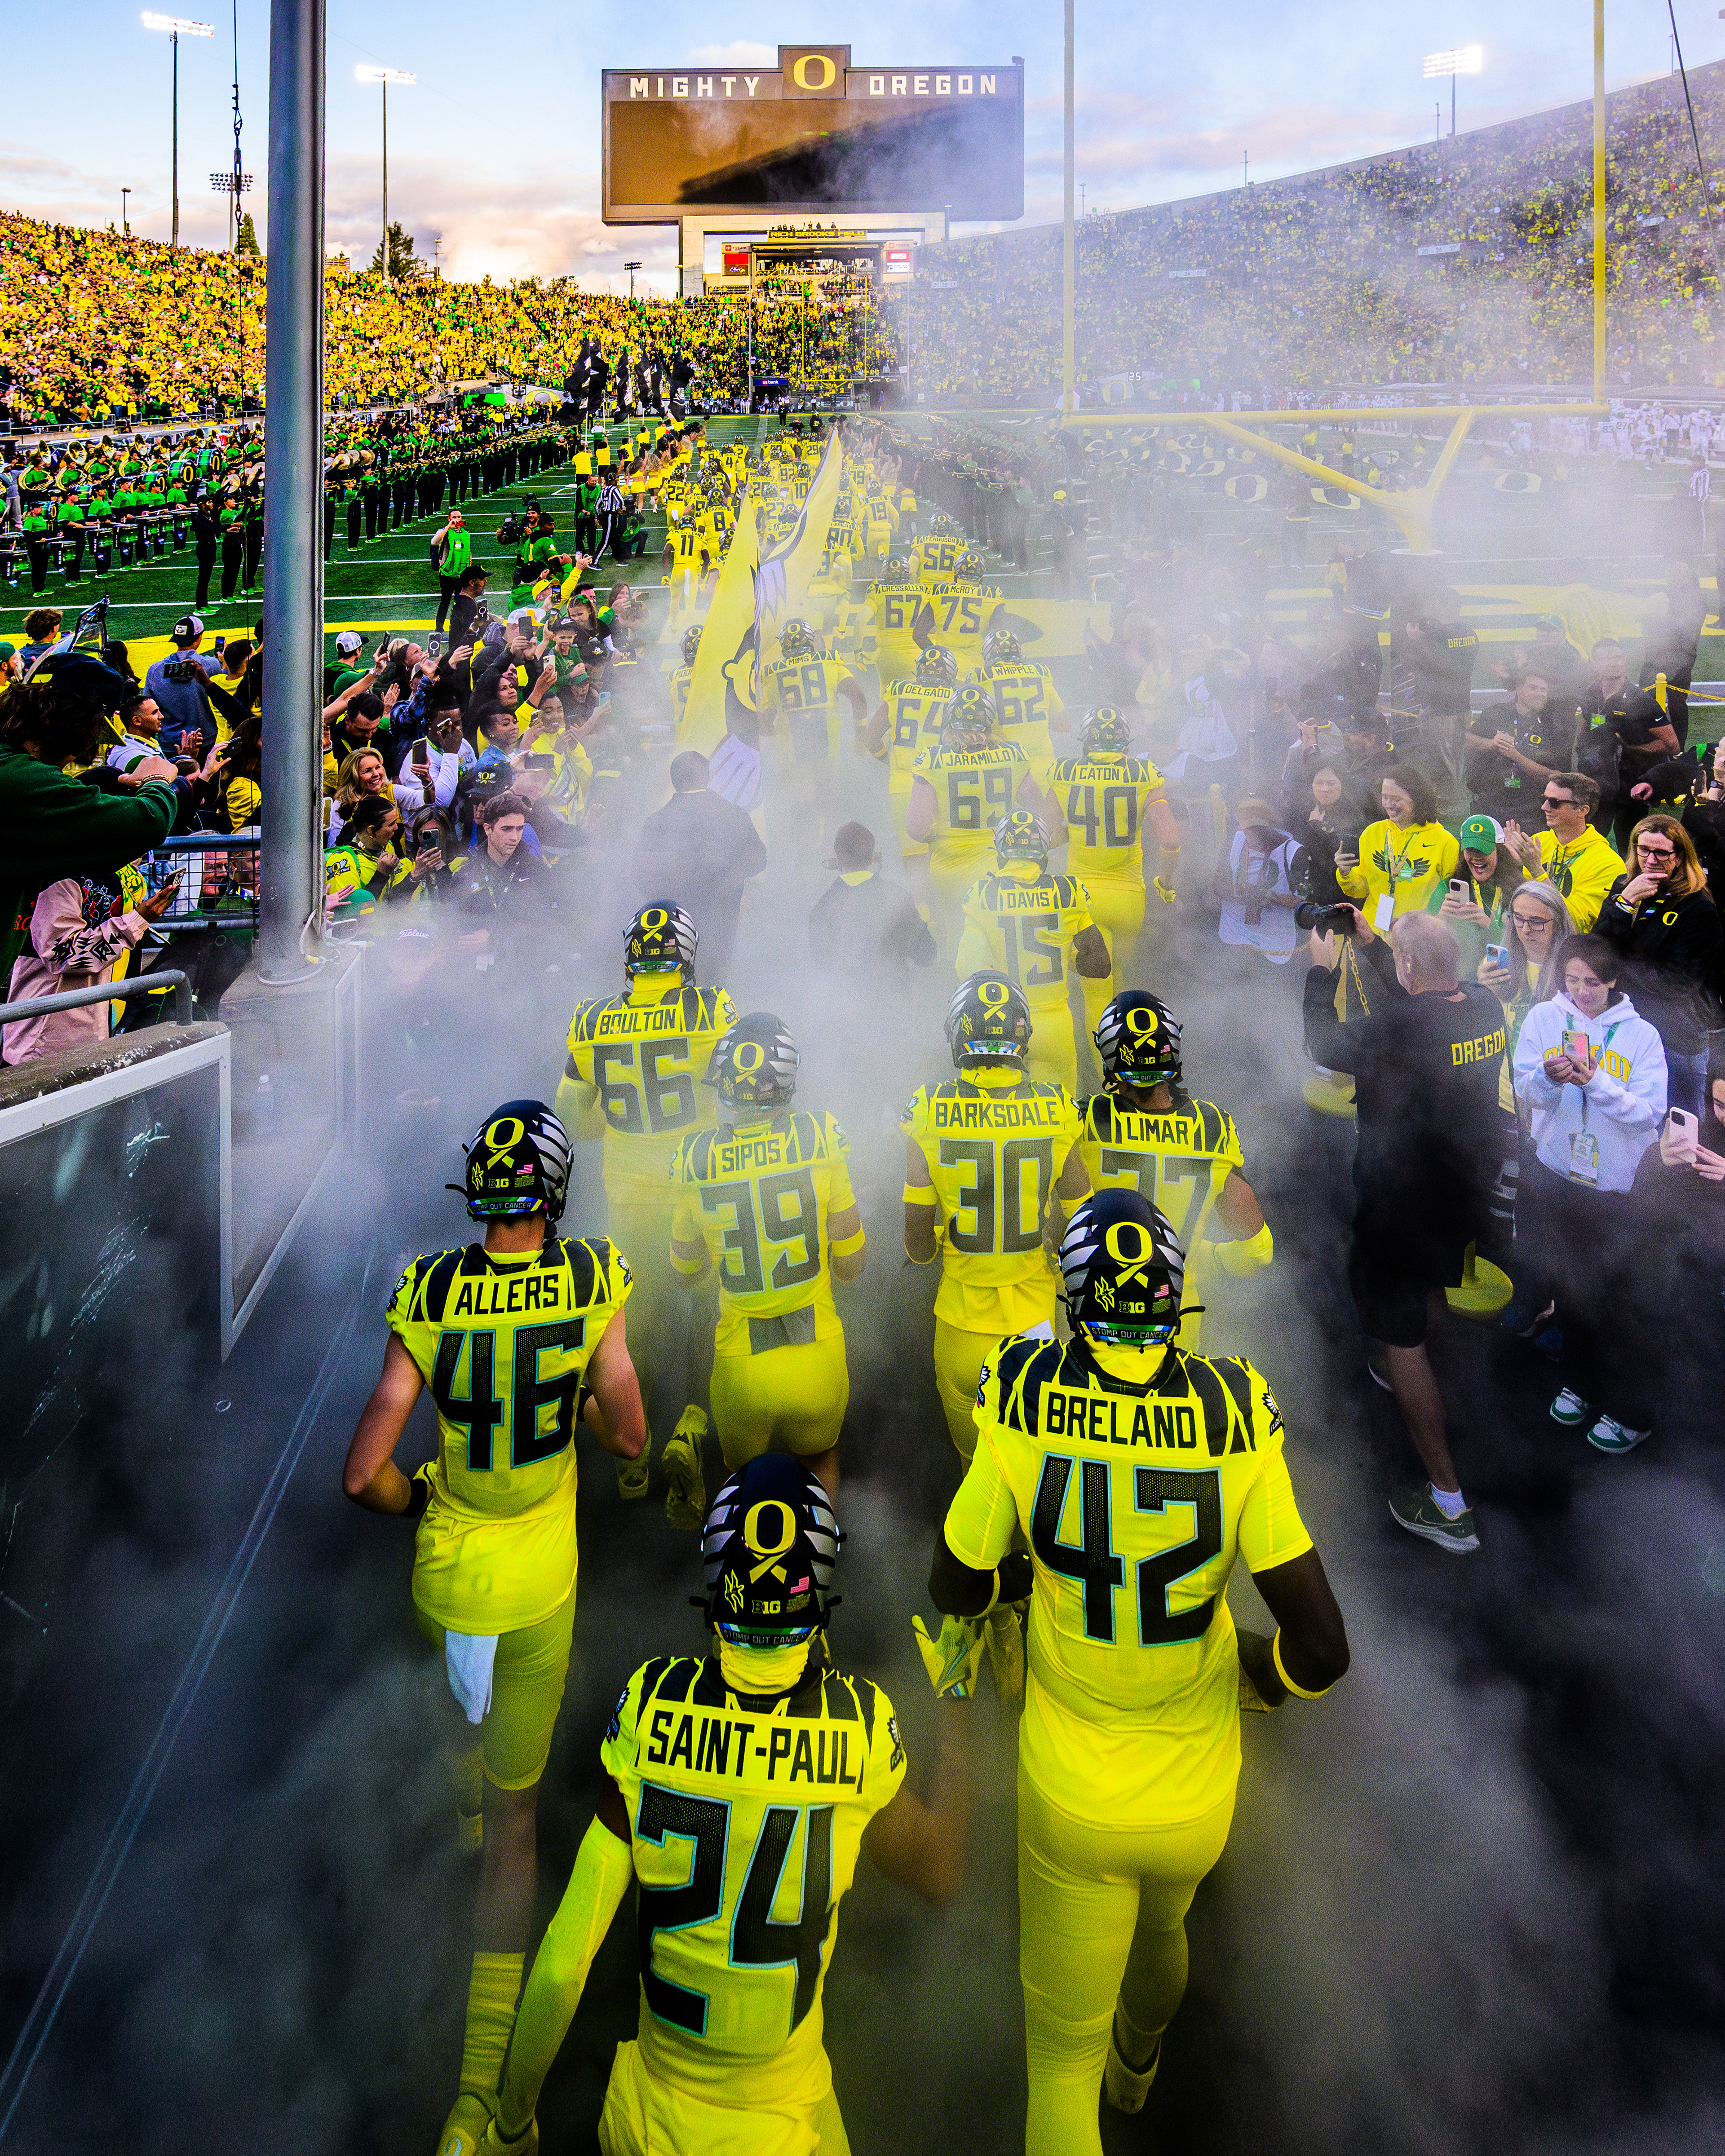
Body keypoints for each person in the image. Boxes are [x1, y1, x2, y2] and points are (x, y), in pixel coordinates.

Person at [926, 1188, 1349, 2156]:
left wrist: (1027, 1574)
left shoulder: (1026, 1394)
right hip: (1196, 1783)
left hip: (1071, 1782)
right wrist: (1259, 1670)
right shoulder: (1235, 1409)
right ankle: (1140, 2061)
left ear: (1075, 1295)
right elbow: (1324, 1649)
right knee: (1163, 1928)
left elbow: (955, 1583)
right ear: (1172, 1292)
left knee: (1054, 2071)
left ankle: (1099, 2075)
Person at [436, 1454, 972, 2156]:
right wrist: (959, 1708)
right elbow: (938, 1873)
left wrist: (513, 2121)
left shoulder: (653, 1705)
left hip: (654, 2125)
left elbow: (566, 1965)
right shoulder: (863, 1725)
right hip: (787, 2125)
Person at [340, 1102, 646, 2152]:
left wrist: (421, 1494)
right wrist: (577, 1411)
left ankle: (460, 1779)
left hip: (448, 1581)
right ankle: (476, 2098)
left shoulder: (427, 1287)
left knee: (456, 1702)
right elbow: (634, 1431)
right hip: (537, 1589)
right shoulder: (593, 1276)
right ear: (554, 1193)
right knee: (516, 1828)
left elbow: (361, 1473)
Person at [902, 972, 1089, 1690]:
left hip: (962, 1326)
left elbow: (918, 1243)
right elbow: (1076, 1225)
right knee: (1041, 1485)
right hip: (1037, 1331)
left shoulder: (929, 1113)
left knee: (977, 1482)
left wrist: (951, 1234)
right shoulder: (1054, 1111)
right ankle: (1045, 1623)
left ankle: (988, 1624)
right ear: (1020, 1038)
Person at [1303, 910, 1508, 1552]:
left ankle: (1448, 1502)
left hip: (1402, 1201)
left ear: (1410, 967)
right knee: (1423, 1298)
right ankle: (1412, 1357)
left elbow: (1323, 1045)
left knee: (1397, 1327)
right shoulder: (1482, 1006)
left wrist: (1319, 970)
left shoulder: (1400, 1027)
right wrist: (1373, 943)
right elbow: (1419, 1014)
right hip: (1460, 1195)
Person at [556, 905, 737, 1520]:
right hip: (699, 1189)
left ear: (629, 957)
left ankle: (631, 1453)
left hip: (630, 1193)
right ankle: (692, 1425)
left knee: (634, 1322)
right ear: (685, 954)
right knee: (711, 1312)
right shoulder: (711, 1010)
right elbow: (737, 1100)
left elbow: (576, 1120)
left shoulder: (592, 1018)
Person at [668, 1013, 864, 1502]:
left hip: (741, 1370)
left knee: (741, 1486)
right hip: (816, 1357)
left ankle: (744, 1566)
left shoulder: (695, 1158)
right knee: (819, 1460)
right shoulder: (822, 1137)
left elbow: (684, 1270)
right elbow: (853, 1263)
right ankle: (814, 1567)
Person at [1511, 934, 1667, 1445]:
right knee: (1571, 1288)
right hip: (1555, 1173)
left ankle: (1629, 1404)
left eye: (1592, 983)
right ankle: (1583, 1383)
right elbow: (1525, 1089)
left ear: (1614, 981)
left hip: (1615, 1189)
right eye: (1572, 981)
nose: (1580, 993)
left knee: (1615, 1300)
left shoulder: (1642, 1037)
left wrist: (1595, 1081)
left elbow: (1649, 1114)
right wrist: (1553, 1081)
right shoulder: (1543, 1020)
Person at [1077, 990, 1272, 1351]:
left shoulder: (1084, 1119)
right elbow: (1259, 1250)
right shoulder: (1213, 1127)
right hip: (1178, 1313)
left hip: (1094, 1306)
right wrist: (1207, 1259)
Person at [0, 652, 182, 970]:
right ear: (71, 730)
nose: (78, 757)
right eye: (87, 741)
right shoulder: (22, 780)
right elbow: (149, 820)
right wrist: (157, 780)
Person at [955, 811, 1112, 1091]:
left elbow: (967, 970)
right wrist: (1067, 960)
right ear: (1043, 850)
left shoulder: (983, 893)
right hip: (1054, 1026)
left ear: (1002, 849)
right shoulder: (1068, 890)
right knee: (1058, 1121)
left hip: (1001, 1029)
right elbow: (1101, 966)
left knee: (1003, 1118)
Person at [1038, 706, 1181, 991]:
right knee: (1125, 975)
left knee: (1095, 985)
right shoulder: (1144, 773)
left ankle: (1096, 1032)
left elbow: (1043, 837)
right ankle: (1132, 1026)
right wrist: (1165, 883)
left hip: (1081, 894)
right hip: (1127, 898)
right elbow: (1170, 842)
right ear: (1125, 740)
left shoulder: (1066, 772)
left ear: (1086, 739)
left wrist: (1075, 833)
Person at [1591, 814, 1721, 1117]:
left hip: (1675, 1038)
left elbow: (1675, 981)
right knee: (1627, 1115)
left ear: (1679, 857)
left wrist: (1615, 964)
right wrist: (1624, 904)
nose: (1651, 859)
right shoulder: (1625, 886)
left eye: (1662, 852)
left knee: (1679, 1130)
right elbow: (1594, 950)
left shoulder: (1697, 906)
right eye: (1644, 849)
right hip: (1623, 1025)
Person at [906, 689, 1045, 958]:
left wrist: (942, 835)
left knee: (961, 945)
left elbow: (917, 829)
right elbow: (1037, 812)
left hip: (951, 868)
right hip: (1001, 865)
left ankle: (965, 995)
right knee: (1004, 943)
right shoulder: (1013, 754)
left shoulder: (934, 758)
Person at [631, 751, 768, 987]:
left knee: (676, 983)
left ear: (675, 780)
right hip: (723, 921)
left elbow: (640, 874)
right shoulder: (733, 814)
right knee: (715, 982)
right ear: (707, 776)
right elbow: (758, 859)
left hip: (670, 931)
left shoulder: (656, 821)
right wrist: (729, 879)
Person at [805, 819, 936, 986]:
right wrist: (927, 926)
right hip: (892, 1005)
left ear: (839, 859)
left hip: (842, 1008)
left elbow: (822, 965)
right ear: (872, 858)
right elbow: (926, 956)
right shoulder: (898, 899)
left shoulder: (823, 908)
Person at [1336, 764, 1460, 929]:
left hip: (1417, 935)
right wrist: (1345, 874)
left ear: (1417, 799)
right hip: (1374, 931)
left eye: (1396, 799)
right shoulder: (1372, 833)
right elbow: (1361, 890)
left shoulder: (1445, 842)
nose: (1389, 805)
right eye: (1385, 797)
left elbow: (1453, 899)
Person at [1501, 771, 1623, 931]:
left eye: (1554, 802)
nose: (1544, 807)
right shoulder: (1540, 841)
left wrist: (1537, 871)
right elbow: (1522, 901)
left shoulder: (1607, 863)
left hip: (1572, 949)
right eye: (1544, 799)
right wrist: (1513, 865)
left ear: (1582, 810)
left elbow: (1575, 922)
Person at [1464, 667, 1574, 829]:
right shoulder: (1496, 713)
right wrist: (1493, 743)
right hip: (1490, 802)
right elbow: (1467, 740)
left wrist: (1516, 756)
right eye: (1534, 688)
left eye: (1544, 690)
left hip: (1531, 810)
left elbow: (1557, 777)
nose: (1541, 694)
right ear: (1519, 688)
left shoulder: (1555, 725)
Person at [1212, 797, 1305, 967]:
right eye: (1245, 826)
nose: (1250, 834)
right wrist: (1244, 892)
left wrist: (1277, 899)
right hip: (1236, 932)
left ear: (1271, 826)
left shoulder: (1294, 853)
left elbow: (1307, 902)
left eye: (1256, 828)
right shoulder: (1235, 840)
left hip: (1275, 940)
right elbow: (1217, 884)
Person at [1432, 813, 1525, 980]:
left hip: (1504, 977)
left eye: (1483, 849)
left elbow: (1525, 945)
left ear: (1499, 850)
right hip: (1460, 979)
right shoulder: (1448, 886)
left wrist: (1489, 926)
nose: (1476, 857)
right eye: (1470, 849)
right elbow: (1425, 942)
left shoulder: (1518, 890)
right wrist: (1439, 920)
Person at [143, 613, 216, 760]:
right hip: (206, 740)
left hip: (170, 743)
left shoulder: (155, 670)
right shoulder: (211, 665)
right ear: (199, 638)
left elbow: (147, 705)